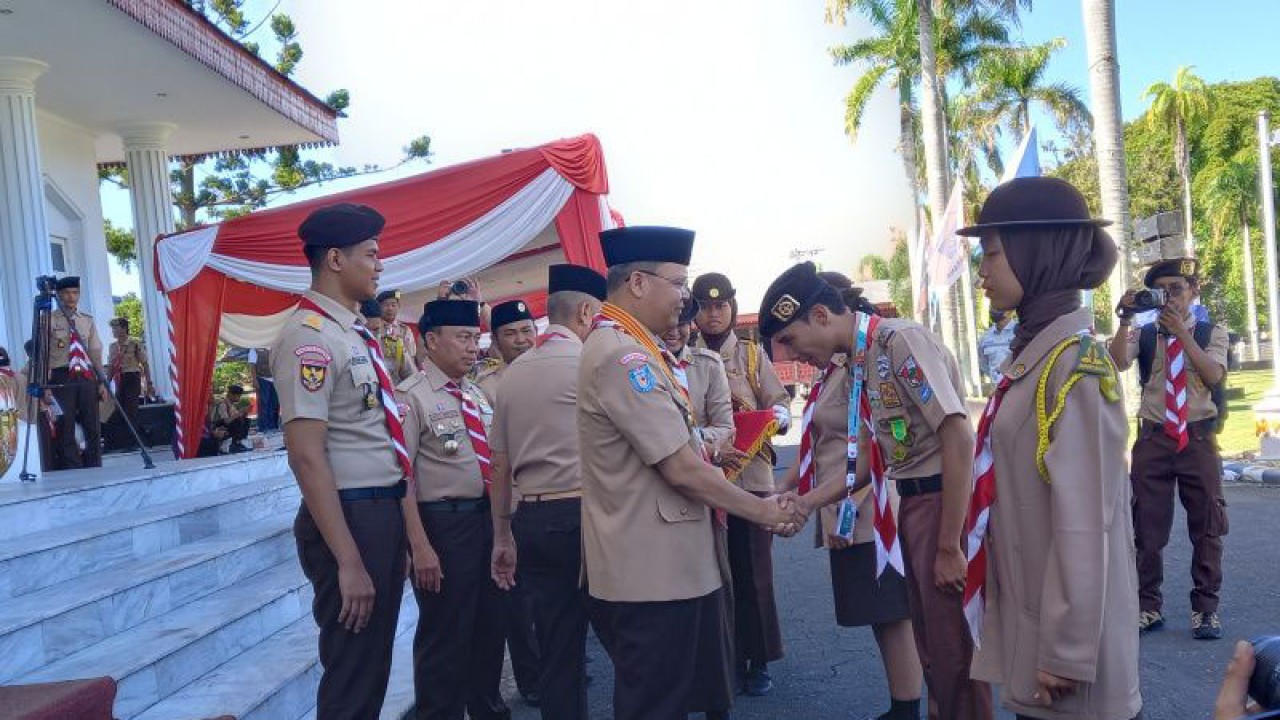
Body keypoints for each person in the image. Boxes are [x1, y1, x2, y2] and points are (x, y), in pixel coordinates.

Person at [579, 225, 803, 720]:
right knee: (657, 704)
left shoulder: (637, 349)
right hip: (652, 573)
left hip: (668, 565)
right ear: (638, 282)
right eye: (679, 282)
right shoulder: (624, 356)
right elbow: (680, 467)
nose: (686, 298)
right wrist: (763, 509)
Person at [760, 261, 992, 719]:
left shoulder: (898, 341)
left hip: (942, 505)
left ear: (821, 316)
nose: (790, 354)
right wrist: (807, 501)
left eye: (789, 339)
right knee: (932, 649)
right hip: (915, 505)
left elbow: (958, 435)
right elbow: (874, 456)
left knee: (953, 653)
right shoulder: (862, 360)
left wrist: (949, 546)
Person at [963, 176, 1141, 720]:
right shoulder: (1037, 355)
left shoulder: (1074, 366)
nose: (982, 270)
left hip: (1069, 661)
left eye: (992, 252)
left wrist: (1064, 652)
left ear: (1033, 250)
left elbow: (1086, 523)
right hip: (1037, 628)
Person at [270, 202, 410, 719]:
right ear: (334, 258)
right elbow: (307, 458)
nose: (380, 265)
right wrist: (348, 559)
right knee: (353, 672)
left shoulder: (352, 333)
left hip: (379, 511)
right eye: (371, 254)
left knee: (371, 666)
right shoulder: (309, 337)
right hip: (351, 517)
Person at [772, 272, 923, 720]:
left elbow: (876, 449)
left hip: (866, 508)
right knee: (880, 613)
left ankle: (907, 706)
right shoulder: (839, 367)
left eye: (796, 339)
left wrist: (840, 510)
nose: (796, 353)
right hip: (841, 501)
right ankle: (902, 702)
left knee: (893, 613)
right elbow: (822, 445)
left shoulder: (867, 363)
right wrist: (780, 489)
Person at [490, 264, 606, 720]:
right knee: (627, 635)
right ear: (584, 311)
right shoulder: (592, 364)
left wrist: (503, 535)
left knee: (557, 648)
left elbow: (500, 464)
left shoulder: (513, 375)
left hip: (532, 520)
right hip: (588, 515)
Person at [397, 298, 509, 720]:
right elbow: (401, 479)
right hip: (444, 528)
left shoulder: (477, 393)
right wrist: (419, 546)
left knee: (489, 628)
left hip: (485, 521)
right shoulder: (412, 399)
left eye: (474, 338)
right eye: (462, 338)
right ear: (430, 340)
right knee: (445, 636)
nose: (472, 347)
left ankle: (487, 709)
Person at [1108, 256, 1230, 640]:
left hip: (1196, 438)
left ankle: (1205, 609)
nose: (1170, 297)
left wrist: (1182, 334)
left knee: (1207, 525)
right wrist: (1125, 318)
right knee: (1146, 525)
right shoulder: (1143, 334)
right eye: (1161, 291)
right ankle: (1148, 607)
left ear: (1194, 291)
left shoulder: (1212, 332)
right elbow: (1117, 362)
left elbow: (1213, 375)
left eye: (1176, 288)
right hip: (1154, 438)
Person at [692, 271, 791, 696]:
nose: (714, 315)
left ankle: (758, 658)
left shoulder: (751, 355)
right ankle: (722, 656)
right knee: (712, 573)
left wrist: (778, 417)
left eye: (722, 306)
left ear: (732, 307)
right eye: (706, 307)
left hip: (751, 479)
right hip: (705, 478)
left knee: (754, 573)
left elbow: (779, 401)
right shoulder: (681, 356)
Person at [662, 296, 738, 720]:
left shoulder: (707, 365)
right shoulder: (641, 363)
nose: (675, 328)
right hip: (658, 503)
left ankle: (716, 701)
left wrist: (684, 443)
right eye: (670, 320)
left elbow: (725, 426)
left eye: (683, 321)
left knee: (715, 599)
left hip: (706, 497)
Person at [469, 296, 541, 704]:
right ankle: (531, 678)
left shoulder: (561, 374)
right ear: (495, 342)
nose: (520, 340)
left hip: (551, 496)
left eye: (526, 331)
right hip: (510, 504)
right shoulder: (485, 389)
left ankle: (563, 661)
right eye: (510, 334)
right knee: (516, 598)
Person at [47, 276, 106, 469]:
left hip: (86, 375)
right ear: (58, 295)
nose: (71, 297)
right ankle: (73, 466)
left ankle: (94, 464)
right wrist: (45, 386)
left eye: (75, 293)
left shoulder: (86, 320)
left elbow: (95, 351)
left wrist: (101, 382)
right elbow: (43, 354)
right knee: (66, 423)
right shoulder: (48, 320)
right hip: (62, 376)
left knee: (92, 423)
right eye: (66, 293)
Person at [107, 317, 149, 428]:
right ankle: (124, 435)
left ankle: (134, 436)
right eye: (113, 328)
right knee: (119, 407)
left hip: (132, 377)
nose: (113, 331)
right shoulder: (113, 346)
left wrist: (149, 383)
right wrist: (106, 382)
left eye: (116, 328)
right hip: (119, 379)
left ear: (124, 328)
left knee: (131, 408)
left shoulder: (135, 343)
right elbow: (111, 366)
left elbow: (144, 363)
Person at [362, 299, 415, 382]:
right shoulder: (352, 346)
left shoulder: (394, 343)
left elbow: (411, 375)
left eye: (376, 329)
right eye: (368, 330)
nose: (372, 334)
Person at [378, 288, 421, 372]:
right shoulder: (375, 329)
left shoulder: (405, 330)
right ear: (379, 307)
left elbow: (412, 354)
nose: (390, 308)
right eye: (386, 305)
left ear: (398, 307)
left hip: (404, 375)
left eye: (393, 305)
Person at [977, 309, 1017, 385]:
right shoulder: (985, 337)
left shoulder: (1019, 333)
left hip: (1016, 386)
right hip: (997, 388)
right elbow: (983, 363)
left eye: (999, 307)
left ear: (1009, 311)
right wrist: (995, 377)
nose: (994, 309)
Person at [208, 384, 251, 453]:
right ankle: (232, 444)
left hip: (227, 425)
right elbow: (226, 421)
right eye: (238, 396)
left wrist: (243, 413)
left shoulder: (231, 405)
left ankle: (238, 442)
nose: (239, 398)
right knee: (237, 421)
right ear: (231, 394)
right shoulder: (223, 404)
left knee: (246, 420)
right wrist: (239, 413)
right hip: (219, 426)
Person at [247, 347, 278, 432]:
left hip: (275, 379)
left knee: (275, 404)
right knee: (264, 404)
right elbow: (252, 365)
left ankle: (273, 426)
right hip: (262, 379)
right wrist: (254, 379)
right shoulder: (255, 348)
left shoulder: (275, 346)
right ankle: (263, 427)